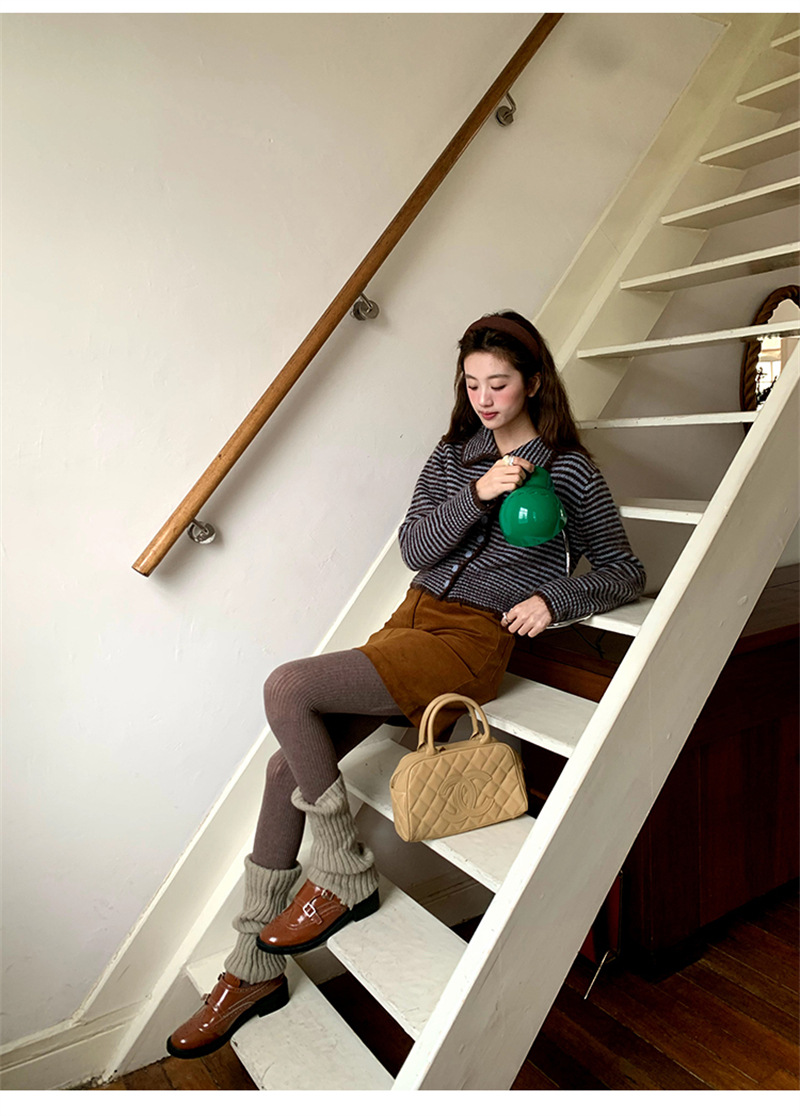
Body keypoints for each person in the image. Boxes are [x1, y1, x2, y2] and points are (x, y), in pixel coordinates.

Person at [166, 310, 646, 1058]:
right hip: (410, 622)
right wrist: (478, 492)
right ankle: (250, 967)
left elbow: (624, 569)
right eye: (472, 383)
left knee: (287, 688)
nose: (484, 398)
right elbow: (416, 548)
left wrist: (554, 599)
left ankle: (343, 870)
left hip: (470, 643)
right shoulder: (456, 455)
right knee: (284, 770)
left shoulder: (570, 470)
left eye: (499, 383)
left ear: (534, 382)